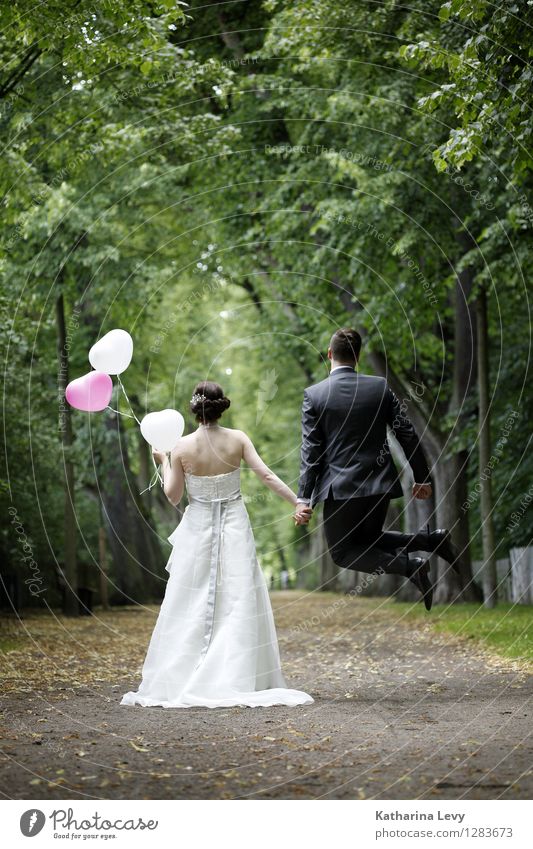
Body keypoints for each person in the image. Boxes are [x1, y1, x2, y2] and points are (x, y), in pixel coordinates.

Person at [121, 381, 313, 709]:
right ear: (221, 406)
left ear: (194, 409)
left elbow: (173, 496)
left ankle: (184, 671)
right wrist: (298, 502)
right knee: (239, 595)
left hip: (197, 526)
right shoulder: (238, 439)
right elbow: (266, 476)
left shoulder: (180, 447)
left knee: (189, 596)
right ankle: (239, 675)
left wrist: (162, 459)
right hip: (235, 524)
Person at [294, 328, 459, 611]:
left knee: (343, 553)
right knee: (368, 541)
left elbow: (311, 452)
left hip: (341, 489)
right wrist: (422, 477)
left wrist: (303, 497)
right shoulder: (379, 387)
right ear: (357, 357)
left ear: (330, 354)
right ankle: (431, 540)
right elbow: (406, 433)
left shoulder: (315, 395)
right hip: (380, 484)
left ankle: (411, 567)